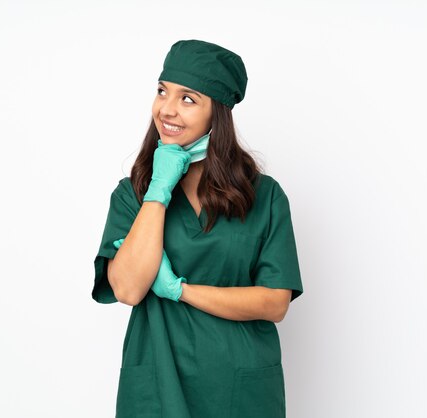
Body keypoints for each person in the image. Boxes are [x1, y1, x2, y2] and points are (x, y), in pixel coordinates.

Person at [92, 39, 303, 418]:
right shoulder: (133, 195)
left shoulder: (264, 197)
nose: (167, 110)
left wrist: (180, 291)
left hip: (238, 387)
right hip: (157, 382)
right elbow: (126, 288)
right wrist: (159, 190)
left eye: (188, 99)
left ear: (216, 114)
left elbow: (275, 303)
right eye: (162, 92)